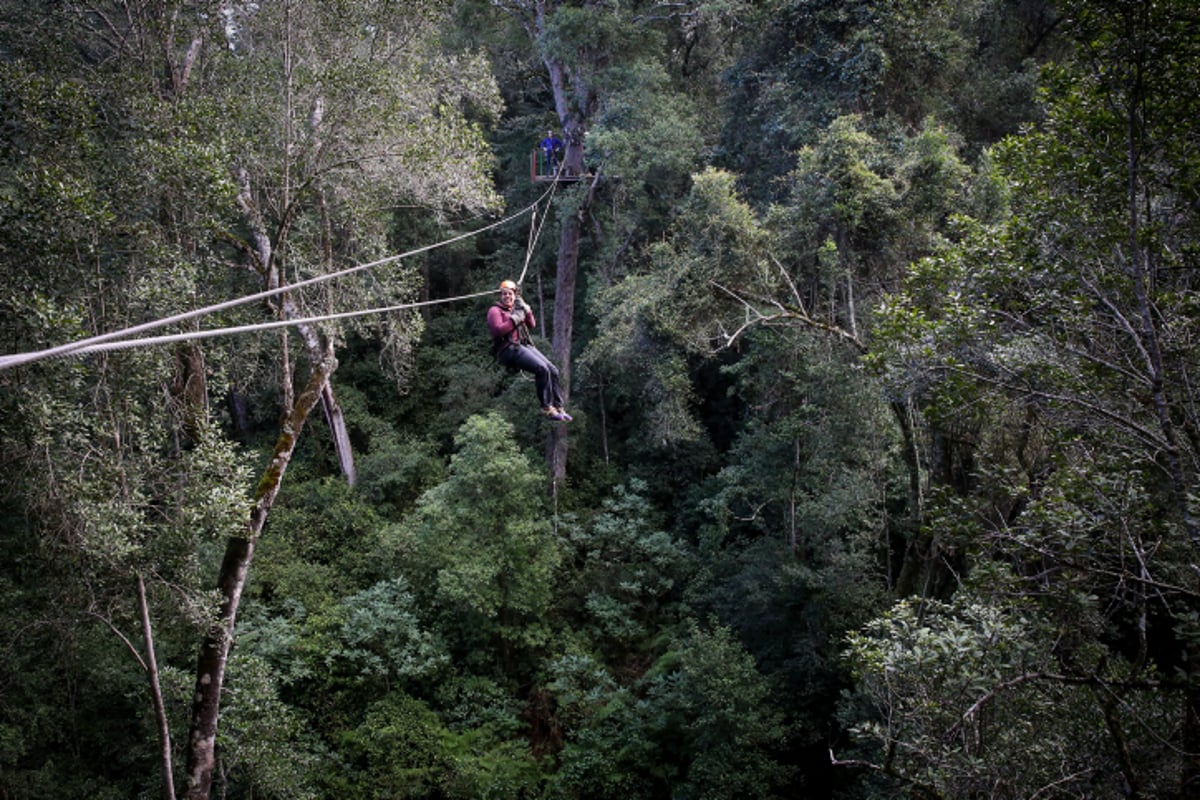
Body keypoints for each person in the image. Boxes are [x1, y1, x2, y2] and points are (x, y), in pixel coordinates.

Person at [488, 280, 571, 422]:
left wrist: (527, 310)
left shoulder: (517, 308)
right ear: (500, 296)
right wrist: (515, 318)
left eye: (510, 294)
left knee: (553, 370)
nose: (507, 297)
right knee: (542, 369)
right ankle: (546, 408)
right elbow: (497, 331)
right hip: (508, 349)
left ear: (515, 295)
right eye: (504, 294)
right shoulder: (495, 311)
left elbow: (532, 324)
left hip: (523, 345)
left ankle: (558, 406)